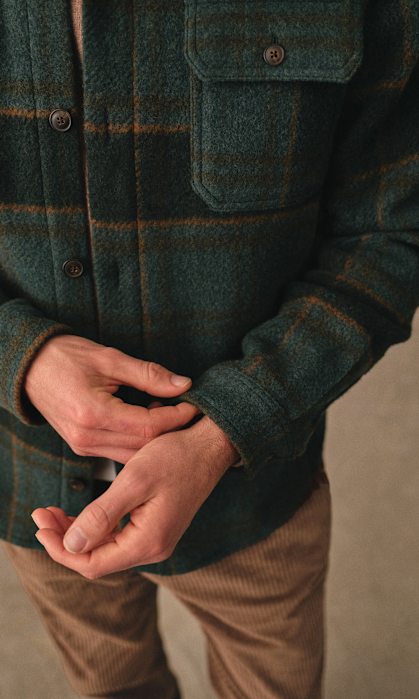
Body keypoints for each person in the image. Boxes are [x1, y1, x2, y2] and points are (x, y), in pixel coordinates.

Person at [1, 1, 418, 698]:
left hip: (253, 504)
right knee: (110, 686)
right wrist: (18, 355)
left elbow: (390, 233)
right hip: (32, 487)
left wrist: (229, 426)